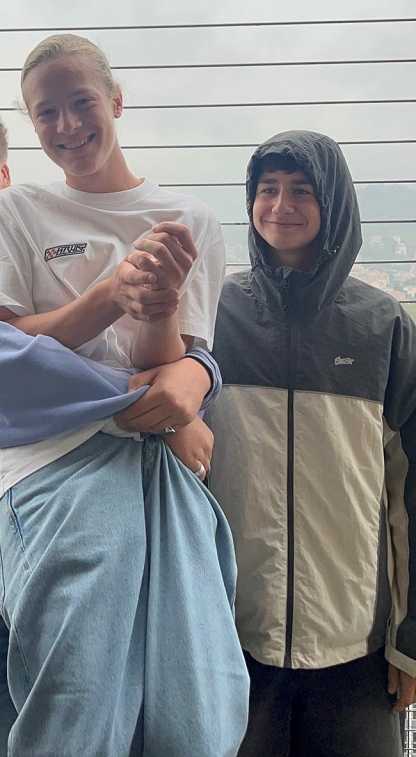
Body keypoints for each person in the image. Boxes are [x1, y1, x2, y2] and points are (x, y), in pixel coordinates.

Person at [0, 100, 228, 757]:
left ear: (5, 175)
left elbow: (135, 342)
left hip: (68, 528)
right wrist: (161, 404)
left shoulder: (39, 246)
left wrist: (196, 371)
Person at [0, 34, 249, 757]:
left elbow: (169, 374)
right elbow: (1, 357)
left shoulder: (190, 220)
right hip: (55, 463)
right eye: (46, 112)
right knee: (77, 704)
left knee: (194, 708)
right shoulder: (16, 212)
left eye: (81, 102)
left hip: (157, 464)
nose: (66, 125)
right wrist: (111, 295)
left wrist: (159, 312)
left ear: (116, 101)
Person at [208, 129, 416, 757]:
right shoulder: (214, 315)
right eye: (267, 189)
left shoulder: (383, 326)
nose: (281, 206)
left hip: (355, 643)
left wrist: (409, 642)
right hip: (232, 636)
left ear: (334, 202)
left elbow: (410, 494)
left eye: (301, 190)